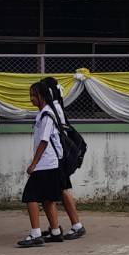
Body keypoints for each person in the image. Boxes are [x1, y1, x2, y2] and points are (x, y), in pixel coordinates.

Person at [16, 81, 67, 248]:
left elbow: (44, 141)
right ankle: (55, 231)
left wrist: (33, 164)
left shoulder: (46, 115)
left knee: (30, 196)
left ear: (43, 96)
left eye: (34, 95)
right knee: (47, 199)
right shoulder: (44, 114)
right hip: (49, 163)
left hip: (45, 163)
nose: (31, 98)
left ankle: (35, 233)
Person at [39, 76, 86, 240]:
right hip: (58, 156)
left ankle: (72, 226)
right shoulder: (55, 106)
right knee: (62, 189)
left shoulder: (53, 108)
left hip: (58, 157)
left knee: (58, 191)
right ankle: (59, 227)